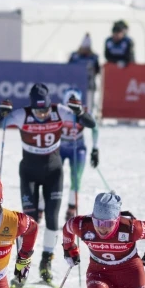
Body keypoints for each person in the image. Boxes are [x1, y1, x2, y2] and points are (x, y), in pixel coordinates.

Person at [0, 83, 96, 285]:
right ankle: (22, 266)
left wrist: (79, 112)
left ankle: (46, 263)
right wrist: (1, 114)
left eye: (45, 109)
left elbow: (90, 123)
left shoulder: (59, 111)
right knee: (30, 220)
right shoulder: (21, 115)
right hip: (29, 172)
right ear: (31, 106)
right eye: (38, 110)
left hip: (54, 172)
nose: (42, 114)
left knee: (53, 218)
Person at [59, 88, 99, 222]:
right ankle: (42, 207)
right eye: (67, 106)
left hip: (78, 148)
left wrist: (95, 149)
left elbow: (95, 128)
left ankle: (71, 208)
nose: (70, 110)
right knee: (52, 177)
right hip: (60, 148)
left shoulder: (85, 112)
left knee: (76, 178)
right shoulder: (59, 111)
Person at [69, 33, 101, 100]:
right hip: (76, 84)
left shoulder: (93, 57)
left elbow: (98, 70)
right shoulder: (74, 56)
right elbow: (69, 68)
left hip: (89, 85)